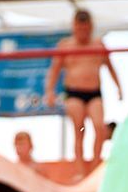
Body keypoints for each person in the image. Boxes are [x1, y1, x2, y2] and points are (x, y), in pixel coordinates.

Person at [42, 10, 122, 165]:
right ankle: (80, 170)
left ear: (91, 27)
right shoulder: (65, 45)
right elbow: (54, 71)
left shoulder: (98, 44)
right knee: (80, 129)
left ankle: (95, 163)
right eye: (80, 29)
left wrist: (118, 87)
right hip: (74, 93)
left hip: (94, 93)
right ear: (74, 27)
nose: (83, 33)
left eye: (86, 29)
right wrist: (49, 92)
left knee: (100, 128)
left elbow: (110, 67)